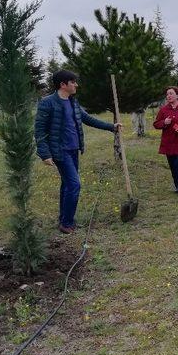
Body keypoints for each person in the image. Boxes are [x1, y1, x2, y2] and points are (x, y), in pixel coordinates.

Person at [34, 70, 121, 234]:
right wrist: (44, 154)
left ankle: (63, 218)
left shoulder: (73, 102)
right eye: (73, 82)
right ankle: (67, 223)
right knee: (74, 184)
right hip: (60, 151)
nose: (76, 85)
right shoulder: (48, 103)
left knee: (67, 184)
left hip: (74, 149)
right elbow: (39, 131)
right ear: (63, 84)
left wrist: (111, 127)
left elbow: (87, 119)